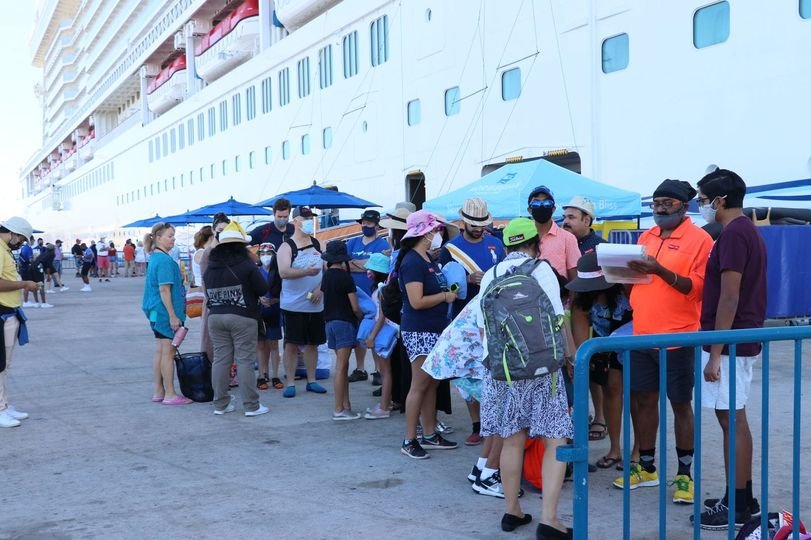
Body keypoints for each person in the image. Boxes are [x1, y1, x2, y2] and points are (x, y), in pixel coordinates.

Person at [613, 179, 714, 506]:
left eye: (668, 202)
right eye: (656, 202)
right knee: (642, 401)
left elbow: (696, 290)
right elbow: (636, 284)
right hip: (642, 336)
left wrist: (659, 270)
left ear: (685, 206)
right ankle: (646, 467)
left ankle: (685, 474)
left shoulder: (700, 240)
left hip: (679, 337)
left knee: (681, 405)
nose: (660, 208)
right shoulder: (646, 236)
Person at [473, 218, 573, 538]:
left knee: (512, 439)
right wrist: (569, 357)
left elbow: (482, 327)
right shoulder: (542, 271)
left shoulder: (490, 275)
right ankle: (549, 520)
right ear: (536, 243)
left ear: (506, 246)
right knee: (555, 437)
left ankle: (511, 512)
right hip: (544, 370)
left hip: (503, 372)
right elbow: (558, 319)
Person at [694, 169, 767, 529]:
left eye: (702, 198)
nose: (700, 204)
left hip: (730, 342)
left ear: (719, 201)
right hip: (736, 340)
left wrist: (716, 353)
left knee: (731, 420)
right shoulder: (742, 231)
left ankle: (737, 506)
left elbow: (730, 295)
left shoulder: (735, 235)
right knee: (733, 419)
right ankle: (741, 497)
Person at [439, 197, 505, 447]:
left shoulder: (496, 244)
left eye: (481, 224)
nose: (478, 228)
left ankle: (494, 422)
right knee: (468, 372)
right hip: (463, 317)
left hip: (494, 313)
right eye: (474, 224)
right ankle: (477, 424)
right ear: (463, 222)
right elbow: (446, 284)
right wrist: (466, 279)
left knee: (492, 369)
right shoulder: (450, 249)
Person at [396, 210, 458, 459]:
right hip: (420, 330)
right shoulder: (412, 261)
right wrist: (445, 296)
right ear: (426, 232)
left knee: (431, 383)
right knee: (419, 385)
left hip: (434, 329)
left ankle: (430, 433)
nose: (439, 234)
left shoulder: (426, 259)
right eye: (436, 230)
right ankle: (410, 439)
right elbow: (416, 301)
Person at [567, 252, 633, 470]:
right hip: (606, 347)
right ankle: (615, 448)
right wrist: (577, 363)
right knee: (612, 390)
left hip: (638, 342)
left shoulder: (627, 289)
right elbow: (580, 339)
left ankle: (640, 450)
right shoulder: (580, 299)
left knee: (641, 397)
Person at [204, 222, 269, 417]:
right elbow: (263, 289)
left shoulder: (210, 269)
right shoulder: (246, 266)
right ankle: (251, 406)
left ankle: (221, 404)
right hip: (242, 317)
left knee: (221, 360)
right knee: (245, 361)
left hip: (215, 317)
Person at [562, 196, 610, 444]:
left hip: (596, 317)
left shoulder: (600, 246)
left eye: (571, 217)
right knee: (576, 367)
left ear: (587, 219)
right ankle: (579, 415)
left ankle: (600, 417)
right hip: (569, 313)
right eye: (565, 217)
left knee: (596, 370)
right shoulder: (562, 242)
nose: (565, 222)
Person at [277, 206, 327, 398]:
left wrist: (320, 287)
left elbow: (328, 268)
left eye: (311, 218)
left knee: (313, 343)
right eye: (305, 218)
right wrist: (306, 272)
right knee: (291, 343)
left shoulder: (318, 243)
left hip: (315, 304)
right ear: (295, 222)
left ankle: (312, 380)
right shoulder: (287, 246)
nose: (309, 221)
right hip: (293, 304)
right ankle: (290, 382)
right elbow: (284, 272)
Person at [141, 222, 191, 406]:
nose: (173, 239)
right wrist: (172, 315)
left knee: (161, 351)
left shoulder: (155, 257)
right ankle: (170, 393)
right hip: (163, 312)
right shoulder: (163, 260)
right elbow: (164, 290)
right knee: (168, 352)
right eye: (169, 236)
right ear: (159, 237)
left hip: (155, 311)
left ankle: (159, 390)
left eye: (173, 236)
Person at [0, 217, 38, 428]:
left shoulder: (4, 250)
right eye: (21, 239)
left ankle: (3, 404)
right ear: (12, 233)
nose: (22, 244)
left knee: (4, 364)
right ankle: (0, 409)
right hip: (2, 312)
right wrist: (24, 283)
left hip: (9, 312)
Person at [345, 209, 390, 384]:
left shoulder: (382, 244)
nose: (365, 225)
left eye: (369, 223)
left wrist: (359, 264)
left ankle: (378, 370)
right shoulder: (353, 242)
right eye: (363, 222)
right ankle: (360, 368)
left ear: (377, 225)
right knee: (359, 332)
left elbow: (380, 266)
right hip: (354, 293)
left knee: (374, 330)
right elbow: (347, 265)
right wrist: (366, 265)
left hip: (372, 294)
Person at [321, 240, 364, 420]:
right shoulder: (346, 277)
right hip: (344, 322)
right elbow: (355, 307)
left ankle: (346, 406)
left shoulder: (327, 276)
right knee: (341, 368)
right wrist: (362, 317)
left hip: (329, 322)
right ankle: (339, 408)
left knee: (342, 366)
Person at [363, 253, 395, 419]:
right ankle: (387, 401)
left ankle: (384, 407)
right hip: (383, 331)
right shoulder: (381, 288)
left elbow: (382, 316)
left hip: (383, 332)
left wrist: (372, 336)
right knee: (385, 370)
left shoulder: (382, 290)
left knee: (385, 370)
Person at [527, 185, 580, 281]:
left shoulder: (567, 238)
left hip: (558, 294)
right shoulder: (523, 237)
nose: (542, 206)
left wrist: (572, 296)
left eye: (547, 203)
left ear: (553, 209)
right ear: (529, 210)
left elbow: (574, 277)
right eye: (536, 203)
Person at [256, 243, 283, 390]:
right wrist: (259, 299)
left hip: (275, 310)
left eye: (269, 253)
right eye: (263, 253)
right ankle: (261, 375)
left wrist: (275, 301)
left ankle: (275, 375)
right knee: (260, 345)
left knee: (273, 344)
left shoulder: (279, 272)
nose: (266, 256)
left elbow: (286, 292)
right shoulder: (255, 272)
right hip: (259, 312)